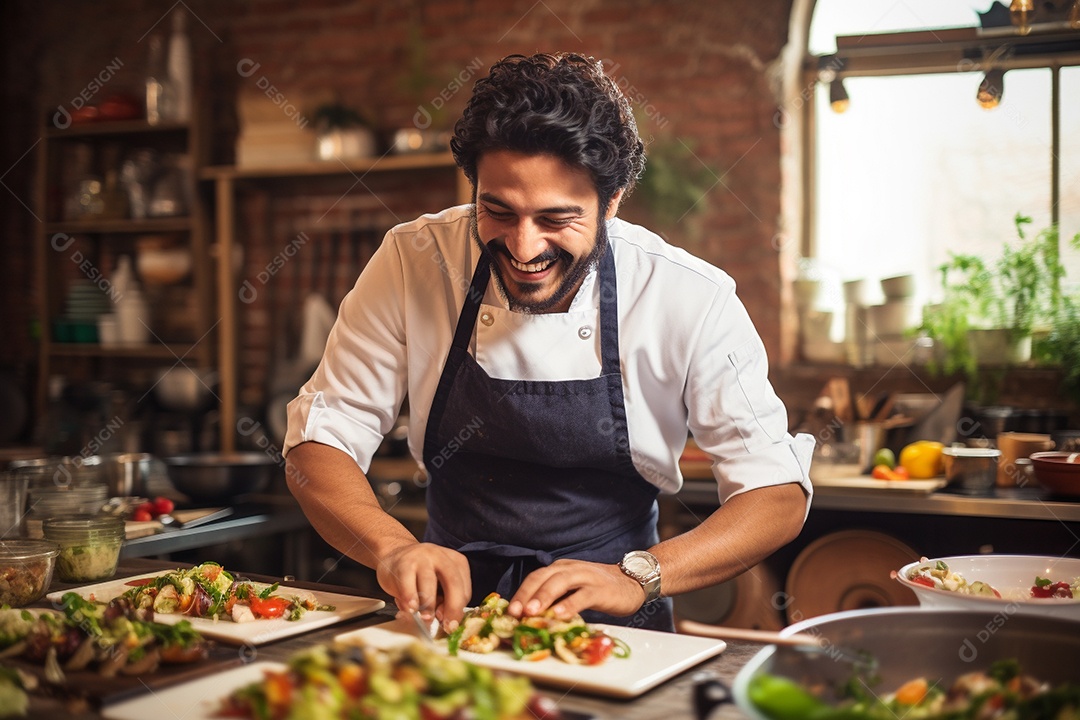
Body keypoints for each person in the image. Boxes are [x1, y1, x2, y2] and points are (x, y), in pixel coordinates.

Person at [284, 52, 814, 634]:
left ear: (611, 203)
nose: (523, 246)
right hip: (446, 618)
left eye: (556, 218)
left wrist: (638, 575)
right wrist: (392, 548)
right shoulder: (414, 261)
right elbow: (319, 441)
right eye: (498, 211)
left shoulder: (688, 295)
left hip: (619, 628)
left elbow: (775, 492)